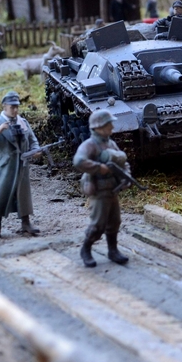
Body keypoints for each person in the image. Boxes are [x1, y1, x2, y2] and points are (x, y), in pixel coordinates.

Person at [0, 91, 41, 238]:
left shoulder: (23, 122)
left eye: (16, 107)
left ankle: (26, 223)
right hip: (4, 164)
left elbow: (33, 140)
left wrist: (35, 150)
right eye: (12, 107)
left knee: (23, 194)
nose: (15, 110)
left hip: (21, 164)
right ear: (4, 107)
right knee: (0, 194)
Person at [73, 109, 130, 268]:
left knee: (115, 221)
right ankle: (86, 249)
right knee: (98, 224)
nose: (112, 127)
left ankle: (113, 251)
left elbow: (123, 162)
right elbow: (78, 161)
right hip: (99, 189)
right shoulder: (90, 145)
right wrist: (99, 168)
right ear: (98, 127)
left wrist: (126, 176)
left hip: (113, 188)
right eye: (108, 124)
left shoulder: (111, 143)